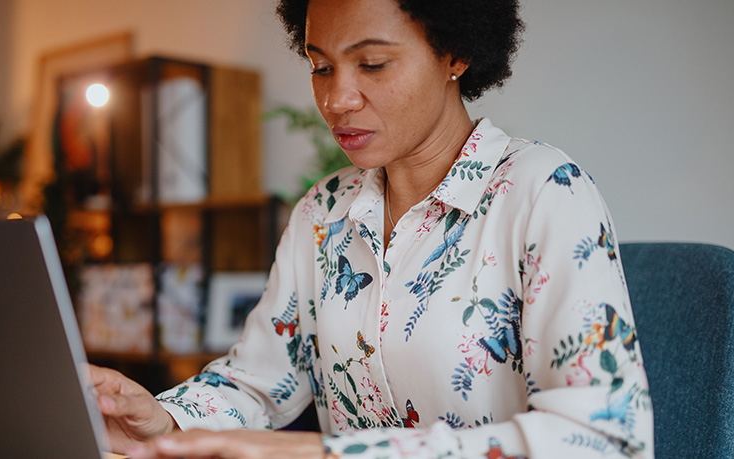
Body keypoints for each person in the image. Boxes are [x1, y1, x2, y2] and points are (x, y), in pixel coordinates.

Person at [90, 0, 654, 457]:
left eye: (373, 64)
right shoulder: (323, 212)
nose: (336, 99)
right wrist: (160, 419)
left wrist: (327, 453)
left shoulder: (545, 191)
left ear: (454, 53)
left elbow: (604, 440)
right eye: (321, 66)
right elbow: (258, 382)